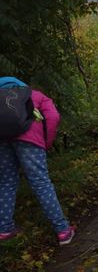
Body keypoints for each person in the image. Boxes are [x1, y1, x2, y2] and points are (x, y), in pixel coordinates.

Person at [0, 77, 75, 245]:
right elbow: (53, 117)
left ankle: (4, 229)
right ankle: (63, 230)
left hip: (3, 140)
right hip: (30, 141)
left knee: (6, 182)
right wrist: (46, 143)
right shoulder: (34, 95)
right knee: (41, 183)